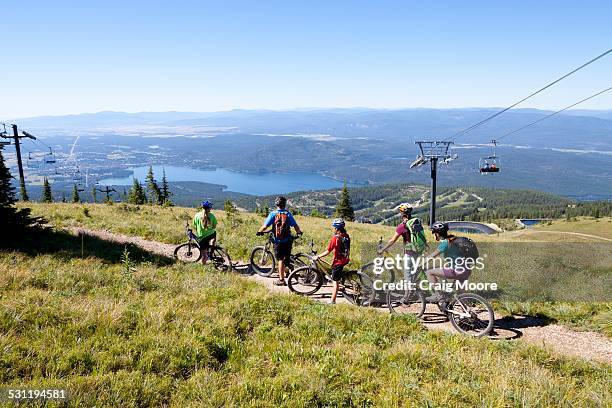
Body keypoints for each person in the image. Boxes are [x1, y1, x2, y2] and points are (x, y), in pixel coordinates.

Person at [378, 204, 427, 290]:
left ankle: (408, 295)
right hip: (418, 250)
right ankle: (417, 289)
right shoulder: (415, 222)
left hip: (410, 252)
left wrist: (383, 249)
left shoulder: (402, 226)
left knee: (407, 275)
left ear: (402, 213)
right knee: (412, 271)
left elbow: (393, 240)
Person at [257, 196, 302, 286]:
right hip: (288, 240)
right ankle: (287, 271)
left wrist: (259, 231)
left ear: (276, 204)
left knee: (280, 259)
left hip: (278, 241)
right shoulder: (288, 214)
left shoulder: (273, 214)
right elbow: (295, 226)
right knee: (286, 257)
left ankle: (281, 280)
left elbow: (265, 226)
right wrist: (299, 232)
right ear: (284, 204)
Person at [424, 221, 471, 302]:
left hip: (457, 271)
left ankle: (438, 295)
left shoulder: (445, 243)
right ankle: (468, 311)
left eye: (435, 233)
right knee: (461, 297)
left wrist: (419, 263)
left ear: (438, 234)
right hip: (466, 270)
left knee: (429, 272)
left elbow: (432, 256)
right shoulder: (455, 239)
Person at [314, 218, 350, 304]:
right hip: (345, 259)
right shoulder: (346, 236)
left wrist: (318, 256)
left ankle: (333, 301)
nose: (334, 229)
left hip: (338, 261)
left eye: (334, 227)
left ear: (337, 228)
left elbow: (328, 251)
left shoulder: (335, 238)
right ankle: (339, 284)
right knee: (335, 275)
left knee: (335, 282)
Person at [193, 200, 217, 264]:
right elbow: (214, 226)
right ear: (209, 208)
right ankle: (211, 250)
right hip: (211, 234)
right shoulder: (212, 216)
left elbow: (194, 225)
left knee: (204, 255)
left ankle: (203, 266)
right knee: (213, 235)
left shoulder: (197, 215)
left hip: (202, 237)